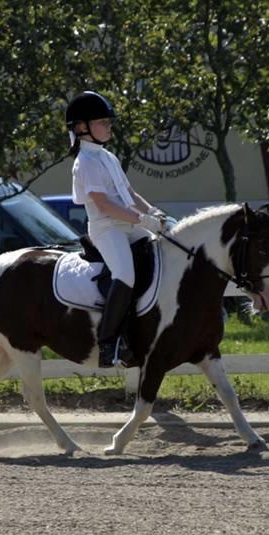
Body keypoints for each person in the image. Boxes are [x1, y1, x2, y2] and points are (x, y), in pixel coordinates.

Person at [66, 90, 168, 367]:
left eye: (109, 122)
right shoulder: (85, 162)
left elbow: (130, 193)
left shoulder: (107, 157)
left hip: (128, 223)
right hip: (106, 228)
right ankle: (108, 342)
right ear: (81, 128)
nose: (109, 126)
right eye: (103, 122)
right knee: (125, 275)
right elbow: (103, 205)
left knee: (162, 250)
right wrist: (142, 220)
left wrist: (156, 214)